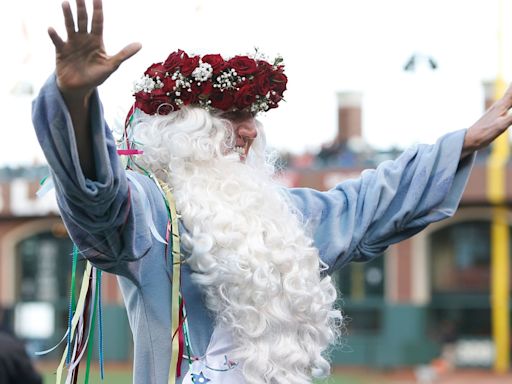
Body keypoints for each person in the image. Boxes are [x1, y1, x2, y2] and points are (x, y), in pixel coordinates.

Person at [32, 0, 512, 383]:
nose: (248, 132)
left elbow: (368, 204)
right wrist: (75, 103)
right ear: (183, 131)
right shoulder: (152, 212)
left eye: (252, 119)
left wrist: (462, 143)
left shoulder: (282, 217)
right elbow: (95, 198)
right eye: (230, 120)